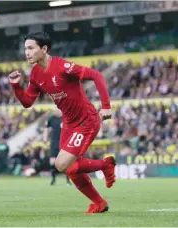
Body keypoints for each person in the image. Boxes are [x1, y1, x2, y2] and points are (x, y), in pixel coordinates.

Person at [9, 32, 116, 214]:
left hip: (86, 121)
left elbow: (97, 75)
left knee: (61, 164)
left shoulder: (63, 67)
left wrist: (105, 106)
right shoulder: (35, 74)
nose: (26, 52)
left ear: (44, 49)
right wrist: (16, 86)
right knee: (71, 169)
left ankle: (106, 165)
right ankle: (99, 202)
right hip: (68, 123)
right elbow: (28, 102)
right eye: (25, 48)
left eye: (31, 48)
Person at [43, 109, 71, 186]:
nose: (57, 111)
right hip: (54, 142)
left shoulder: (65, 118)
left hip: (64, 142)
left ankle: (68, 180)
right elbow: (46, 128)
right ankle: (53, 179)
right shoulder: (51, 119)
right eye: (56, 109)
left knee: (65, 162)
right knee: (52, 162)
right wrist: (45, 138)